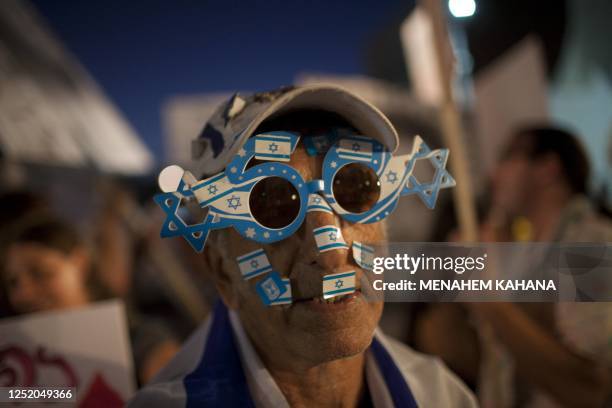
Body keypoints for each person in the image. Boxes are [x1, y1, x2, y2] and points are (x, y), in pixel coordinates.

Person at [130, 85, 477, 407]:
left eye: (354, 188)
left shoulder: (440, 394)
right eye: (274, 207)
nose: (331, 252)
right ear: (222, 272)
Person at [416, 125, 612, 407]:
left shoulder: (591, 242)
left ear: (548, 168)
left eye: (507, 158)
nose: (494, 175)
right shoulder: (521, 253)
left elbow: (591, 389)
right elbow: (467, 356)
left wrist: (489, 302)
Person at [0, 212, 180, 385]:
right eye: (13, 282)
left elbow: (172, 386)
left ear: (80, 262)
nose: (23, 294)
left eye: (40, 273)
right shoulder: (16, 363)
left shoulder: (137, 338)